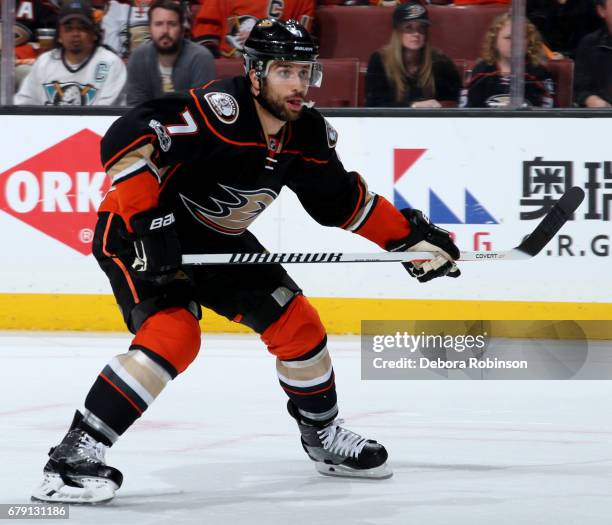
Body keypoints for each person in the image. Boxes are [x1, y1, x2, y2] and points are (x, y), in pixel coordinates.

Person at [31, 18, 460, 504]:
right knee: (175, 335)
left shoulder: (307, 134)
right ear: (255, 72)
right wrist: (149, 222)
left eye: (305, 71)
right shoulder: (221, 110)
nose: (298, 84)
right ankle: (72, 457)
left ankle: (322, 437)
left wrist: (407, 239)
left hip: (215, 242)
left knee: (299, 324)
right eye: (285, 71)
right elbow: (127, 137)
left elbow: (341, 203)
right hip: (138, 235)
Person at [15, 0, 126, 106]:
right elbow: (23, 103)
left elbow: (106, 115)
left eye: (82, 28)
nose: (75, 34)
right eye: (68, 28)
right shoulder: (44, 62)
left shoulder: (111, 63)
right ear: (59, 35)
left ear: (94, 33)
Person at [365, 1, 461, 108]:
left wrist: (440, 105)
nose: (416, 34)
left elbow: (453, 102)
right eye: (408, 27)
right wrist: (413, 106)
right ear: (397, 31)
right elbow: (374, 105)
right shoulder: (379, 60)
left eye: (421, 28)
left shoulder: (441, 62)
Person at [125, 0, 214, 106]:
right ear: (150, 29)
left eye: (172, 24)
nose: (165, 31)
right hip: (147, 120)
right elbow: (135, 106)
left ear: (182, 29)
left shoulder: (200, 57)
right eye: (158, 24)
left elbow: (201, 106)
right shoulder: (138, 57)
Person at [461, 13, 554, 108]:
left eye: (521, 37)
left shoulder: (538, 73)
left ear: (529, 42)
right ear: (494, 41)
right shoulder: (481, 71)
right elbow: (466, 113)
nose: (515, 43)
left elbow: (549, 115)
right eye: (508, 38)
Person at [191, 0, 315, 58]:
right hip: (229, 66)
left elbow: (301, 42)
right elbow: (207, 28)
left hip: (274, 66)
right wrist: (215, 61)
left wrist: (265, 38)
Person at [574, 0, 612, 107]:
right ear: (601, 11)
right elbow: (580, 90)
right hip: (602, 117)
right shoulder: (589, 44)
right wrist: (593, 101)